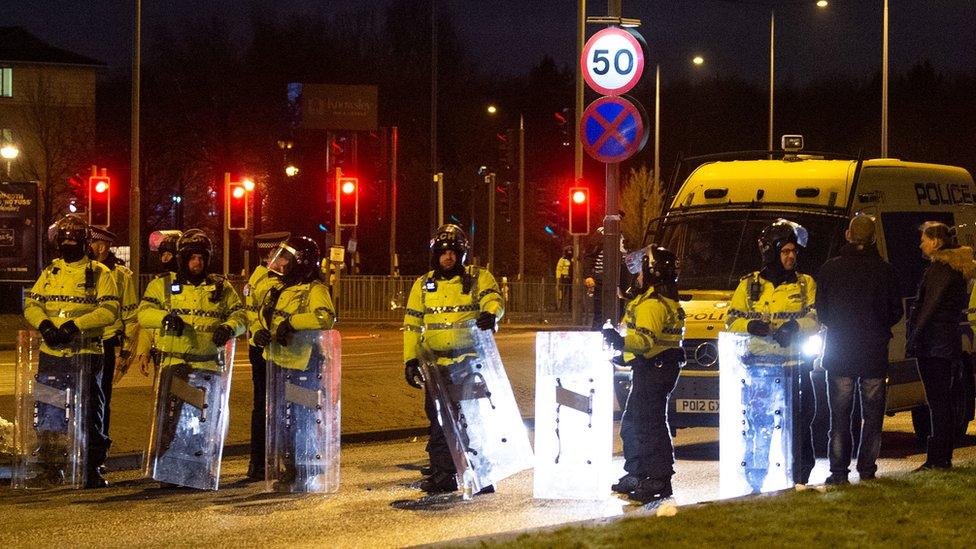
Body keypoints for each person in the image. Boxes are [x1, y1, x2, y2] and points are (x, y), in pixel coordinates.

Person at [137, 229, 247, 488]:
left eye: (201, 257)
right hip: (176, 363)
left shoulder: (221, 287)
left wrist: (230, 327)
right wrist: (164, 318)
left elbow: (241, 316)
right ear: (182, 258)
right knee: (172, 421)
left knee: (203, 423)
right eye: (192, 257)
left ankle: (199, 469)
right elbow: (144, 314)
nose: (197, 263)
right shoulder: (162, 285)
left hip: (208, 364)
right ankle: (168, 470)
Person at [402, 224, 504, 494]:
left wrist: (491, 313)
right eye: (442, 252)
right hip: (435, 366)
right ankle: (443, 476)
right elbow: (412, 324)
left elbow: (493, 298)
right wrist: (410, 360)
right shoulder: (423, 284)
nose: (447, 257)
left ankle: (482, 475)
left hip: (468, 363)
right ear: (435, 254)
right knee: (439, 423)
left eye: (453, 252)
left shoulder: (478, 277)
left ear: (462, 254)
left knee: (473, 421)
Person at [23, 215, 119, 488]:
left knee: (89, 412)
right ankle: (50, 466)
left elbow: (109, 311)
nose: (68, 245)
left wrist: (75, 326)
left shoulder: (101, 273)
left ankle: (90, 467)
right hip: (52, 353)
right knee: (49, 411)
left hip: (85, 352)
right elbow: (32, 304)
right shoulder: (51, 272)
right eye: (64, 241)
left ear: (84, 243)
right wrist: (43, 324)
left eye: (73, 241)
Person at [726, 219, 819, 488]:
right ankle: (756, 480)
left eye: (793, 251)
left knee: (799, 426)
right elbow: (731, 321)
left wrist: (794, 326)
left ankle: (799, 478)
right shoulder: (749, 285)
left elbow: (815, 319)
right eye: (785, 251)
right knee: (759, 426)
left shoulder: (805, 284)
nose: (791, 256)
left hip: (795, 368)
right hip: (759, 369)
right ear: (771, 253)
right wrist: (751, 325)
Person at [816, 214, 902, 484]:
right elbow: (896, 311)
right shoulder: (885, 270)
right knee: (872, 417)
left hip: (840, 352)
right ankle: (867, 469)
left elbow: (823, 311)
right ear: (874, 238)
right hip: (873, 352)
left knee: (839, 418)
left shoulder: (831, 269)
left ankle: (839, 472)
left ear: (848, 235)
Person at [602, 245, 685, 503]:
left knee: (649, 425)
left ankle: (657, 478)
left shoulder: (652, 304)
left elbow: (645, 341)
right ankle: (638, 473)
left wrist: (619, 342)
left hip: (654, 369)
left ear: (651, 273)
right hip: (655, 367)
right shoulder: (656, 300)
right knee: (634, 424)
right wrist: (623, 353)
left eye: (640, 273)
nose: (636, 278)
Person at [253, 236, 337, 488]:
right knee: (282, 420)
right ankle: (287, 467)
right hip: (278, 365)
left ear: (300, 262)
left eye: (286, 258)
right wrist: (259, 330)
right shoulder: (277, 288)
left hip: (304, 366)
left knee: (302, 420)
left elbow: (325, 318)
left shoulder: (315, 289)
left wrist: (293, 323)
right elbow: (258, 314)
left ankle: (304, 466)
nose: (280, 263)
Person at [907, 221, 975, 470]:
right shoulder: (953, 269)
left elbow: (928, 308)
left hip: (934, 345)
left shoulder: (940, 270)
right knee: (941, 402)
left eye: (924, 239)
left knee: (937, 403)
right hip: (945, 343)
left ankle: (937, 459)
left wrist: (914, 338)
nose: (921, 244)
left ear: (936, 242)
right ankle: (941, 456)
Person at [87, 227, 140, 470]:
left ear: (109, 247)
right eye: (94, 243)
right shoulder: (79, 269)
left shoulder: (121, 275)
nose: (98, 249)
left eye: (102, 244)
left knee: (101, 400)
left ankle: (98, 452)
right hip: (77, 341)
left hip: (106, 342)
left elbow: (131, 317)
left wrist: (126, 353)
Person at [242, 231, 290, 481]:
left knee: (271, 405)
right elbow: (252, 315)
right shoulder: (262, 280)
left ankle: (268, 462)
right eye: (282, 253)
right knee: (265, 406)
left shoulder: (269, 277)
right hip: (264, 350)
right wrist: (261, 332)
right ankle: (260, 463)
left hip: (274, 348)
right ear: (271, 254)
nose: (286, 258)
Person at [555, 246, 572, 311]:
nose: (570, 252)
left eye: (570, 250)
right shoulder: (562, 259)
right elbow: (558, 269)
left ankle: (570, 307)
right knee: (562, 293)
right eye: (568, 250)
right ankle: (560, 307)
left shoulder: (573, 259)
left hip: (571, 278)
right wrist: (558, 278)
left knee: (571, 293)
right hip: (564, 277)